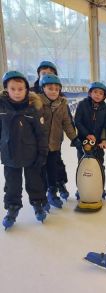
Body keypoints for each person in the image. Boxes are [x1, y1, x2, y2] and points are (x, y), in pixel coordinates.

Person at [0, 71, 48, 228]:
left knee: (35, 181)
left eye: (20, 89)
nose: (17, 92)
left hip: (31, 154)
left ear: (26, 89)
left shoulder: (33, 108)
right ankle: (12, 208)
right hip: (10, 154)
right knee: (12, 184)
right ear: (6, 89)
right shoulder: (2, 108)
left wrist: (42, 154)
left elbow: (41, 134)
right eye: (13, 89)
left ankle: (38, 203)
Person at [38, 74, 82, 208]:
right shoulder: (36, 102)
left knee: (52, 169)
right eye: (50, 88)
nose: (53, 91)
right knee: (40, 171)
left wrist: (74, 138)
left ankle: (52, 192)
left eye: (56, 89)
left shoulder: (62, 104)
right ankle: (41, 196)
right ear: (43, 88)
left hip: (54, 145)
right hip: (38, 146)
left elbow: (67, 123)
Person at [30, 60, 71, 200]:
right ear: (38, 75)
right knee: (41, 165)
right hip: (39, 141)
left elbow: (66, 119)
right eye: (43, 73)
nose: (46, 75)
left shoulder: (59, 95)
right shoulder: (32, 94)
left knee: (57, 163)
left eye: (50, 73)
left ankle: (60, 184)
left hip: (54, 139)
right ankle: (45, 190)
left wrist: (74, 136)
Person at [74, 81, 106, 197]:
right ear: (90, 93)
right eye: (95, 92)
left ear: (104, 96)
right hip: (84, 142)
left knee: (99, 165)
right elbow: (77, 121)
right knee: (82, 165)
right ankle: (81, 188)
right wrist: (86, 134)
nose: (97, 95)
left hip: (98, 143)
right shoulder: (82, 104)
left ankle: (100, 187)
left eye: (100, 93)